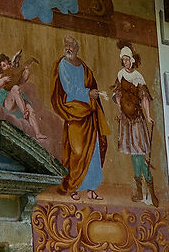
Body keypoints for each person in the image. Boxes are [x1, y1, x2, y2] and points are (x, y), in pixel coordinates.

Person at [51, 34, 106, 192]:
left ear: (77, 48)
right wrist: (87, 93)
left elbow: (91, 82)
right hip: (74, 110)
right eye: (66, 45)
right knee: (77, 149)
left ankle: (90, 187)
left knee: (93, 148)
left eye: (71, 45)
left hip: (89, 110)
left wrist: (93, 94)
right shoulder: (63, 64)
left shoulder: (83, 66)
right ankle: (74, 186)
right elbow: (68, 88)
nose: (68, 48)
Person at [106, 41, 156, 204]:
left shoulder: (138, 77)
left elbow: (145, 98)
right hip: (126, 121)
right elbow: (117, 94)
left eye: (127, 59)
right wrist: (120, 108)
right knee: (134, 156)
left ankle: (149, 189)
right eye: (123, 60)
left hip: (136, 120)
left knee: (138, 154)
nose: (125, 62)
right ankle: (142, 191)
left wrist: (148, 116)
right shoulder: (120, 74)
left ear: (132, 60)